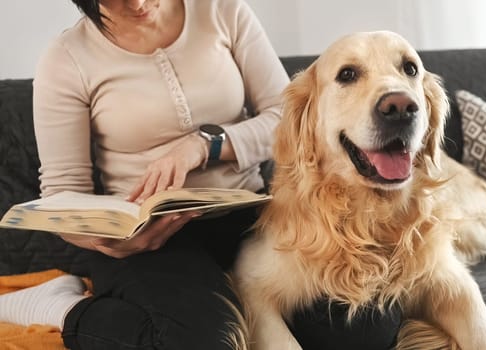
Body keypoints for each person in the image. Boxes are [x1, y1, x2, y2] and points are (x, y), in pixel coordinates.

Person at [0, 0, 289, 348]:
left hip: (252, 218)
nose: (137, 4)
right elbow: (63, 191)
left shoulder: (223, 10)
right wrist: (106, 241)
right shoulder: (67, 57)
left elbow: (288, 118)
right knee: (208, 342)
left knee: (347, 324)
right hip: (148, 244)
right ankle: (61, 307)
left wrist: (204, 145)